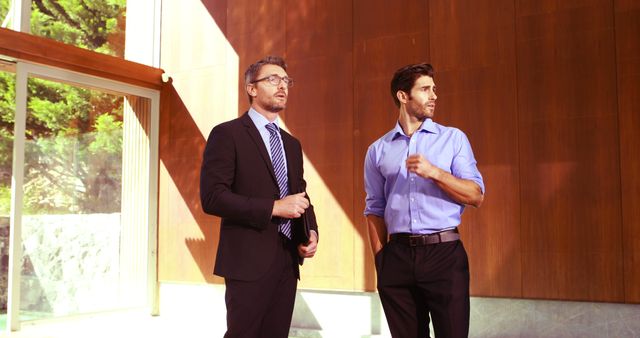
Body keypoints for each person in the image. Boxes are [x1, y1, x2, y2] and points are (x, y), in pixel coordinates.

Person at [200, 55, 319, 338]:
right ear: (252, 88)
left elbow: (301, 194)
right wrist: (274, 208)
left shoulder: (291, 143)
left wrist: (311, 231)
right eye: (273, 80)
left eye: (286, 81)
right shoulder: (227, 134)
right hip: (247, 260)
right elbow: (213, 197)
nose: (283, 86)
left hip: (287, 260)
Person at [364, 63, 484, 338]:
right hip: (397, 258)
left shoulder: (453, 139)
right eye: (425, 89)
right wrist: (381, 261)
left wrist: (435, 173)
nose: (434, 96)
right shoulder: (377, 150)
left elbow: (475, 195)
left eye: (434, 89)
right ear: (403, 96)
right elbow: (374, 208)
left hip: (444, 254)